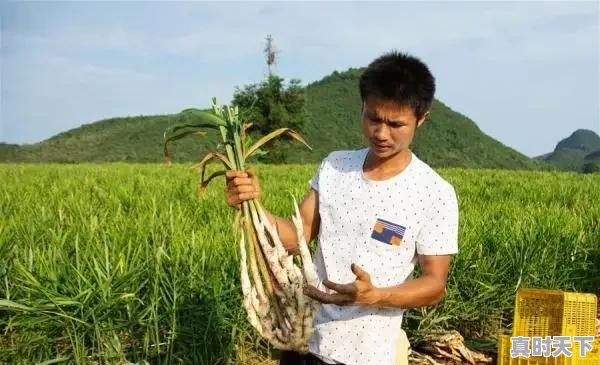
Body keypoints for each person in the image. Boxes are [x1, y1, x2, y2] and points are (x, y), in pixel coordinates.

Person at [224, 51, 459, 365]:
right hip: (304, 343)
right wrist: (251, 203)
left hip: (369, 355)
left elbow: (434, 285)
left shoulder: (433, 193)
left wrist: (376, 295)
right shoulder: (336, 167)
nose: (381, 133)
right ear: (362, 106)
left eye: (396, 124)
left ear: (422, 117)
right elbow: (296, 238)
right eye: (373, 118)